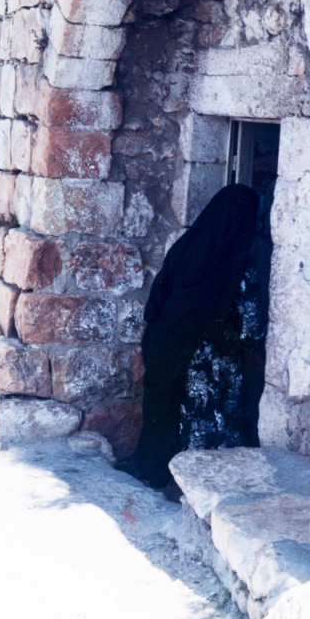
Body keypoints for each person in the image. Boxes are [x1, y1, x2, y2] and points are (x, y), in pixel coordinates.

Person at [115, 183, 267, 494]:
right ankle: (192, 483)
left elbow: (158, 296)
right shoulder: (240, 265)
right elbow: (249, 327)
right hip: (208, 358)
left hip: (165, 342)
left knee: (163, 408)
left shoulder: (186, 245)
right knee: (203, 416)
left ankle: (153, 468)